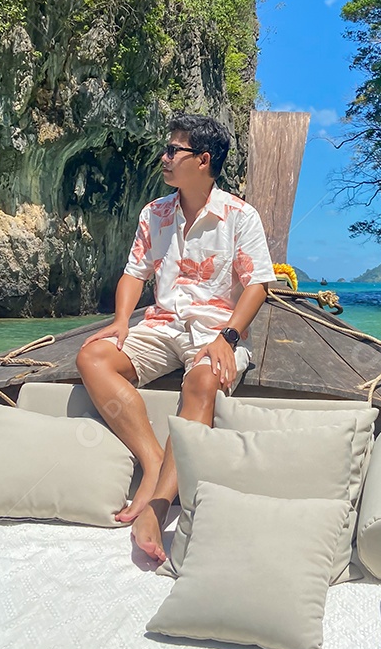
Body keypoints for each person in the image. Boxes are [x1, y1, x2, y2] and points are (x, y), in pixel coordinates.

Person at [76, 114, 274, 562]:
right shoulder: (155, 213)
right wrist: (122, 320)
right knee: (93, 357)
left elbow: (258, 284)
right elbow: (134, 273)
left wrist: (228, 335)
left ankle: (160, 505)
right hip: (161, 324)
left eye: (173, 151)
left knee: (201, 382)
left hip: (214, 329)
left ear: (203, 160)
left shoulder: (240, 216)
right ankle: (152, 462)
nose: (164, 157)